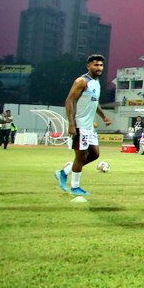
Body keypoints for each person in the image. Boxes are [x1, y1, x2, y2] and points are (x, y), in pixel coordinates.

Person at [55, 54, 113, 196]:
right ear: (88, 66)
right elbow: (69, 101)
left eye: (101, 65)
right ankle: (75, 187)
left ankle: (64, 172)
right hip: (80, 125)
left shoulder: (96, 82)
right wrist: (71, 124)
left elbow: (95, 102)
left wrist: (104, 116)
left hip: (89, 127)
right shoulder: (82, 81)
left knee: (94, 154)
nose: (99, 68)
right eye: (96, 65)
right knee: (81, 156)